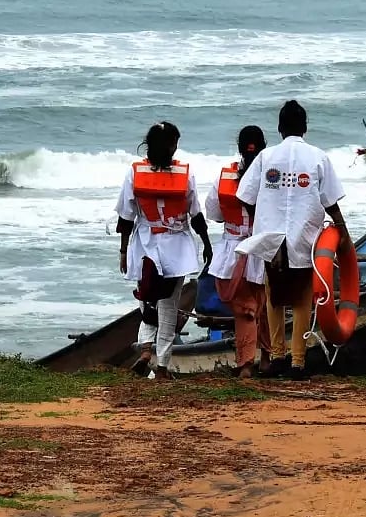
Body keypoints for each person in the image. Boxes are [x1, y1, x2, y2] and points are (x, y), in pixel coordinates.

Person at [235, 100, 349, 381]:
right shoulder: (318, 157)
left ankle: (276, 358)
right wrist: (342, 229)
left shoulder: (266, 157)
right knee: (301, 299)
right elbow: (330, 201)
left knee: (274, 298)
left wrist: (260, 222)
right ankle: (297, 363)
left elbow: (245, 196)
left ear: (279, 128)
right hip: (304, 236)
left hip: (271, 237)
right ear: (305, 127)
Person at [115, 121, 212, 380]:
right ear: (171, 146)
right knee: (169, 305)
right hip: (176, 246)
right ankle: (163, 365)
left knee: (147, 298)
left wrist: (124, 251)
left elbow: (126, 217)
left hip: (145, 244)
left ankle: (146, 349)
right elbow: (196, 214)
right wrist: (207, 244)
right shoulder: (185, 174)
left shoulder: (134, 173)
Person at [204, 125, 271, 378]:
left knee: (245, 308)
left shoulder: (224, 176)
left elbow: (214, 213)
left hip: (234, 250)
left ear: (239, 147)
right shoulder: (272, 176)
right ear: (263, 145)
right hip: (265, 246)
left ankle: (245, 364)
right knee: (265, 305)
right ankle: (266, 357)